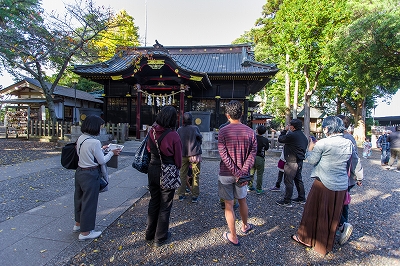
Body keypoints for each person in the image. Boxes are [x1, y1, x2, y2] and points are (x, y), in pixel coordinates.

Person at [291, 116, 360, 255]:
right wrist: (358, 177)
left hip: (323, 183)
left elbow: (311, 160)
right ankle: (327, 242)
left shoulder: (323, 143)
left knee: (314, 211)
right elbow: (355, 161)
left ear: (327, 128)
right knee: (332, 214)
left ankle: (306, 238)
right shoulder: (348, 143)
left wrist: (310, 148)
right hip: (341, 185)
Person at [74, 115, 121, 241]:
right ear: (95, 127)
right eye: (100, 127)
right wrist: (112, 152)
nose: (101, 129)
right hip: (90, 174)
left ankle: (78, 224)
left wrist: (101, 149)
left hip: (80, 172)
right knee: (90, 202)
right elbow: (102, 160)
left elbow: (85, 152)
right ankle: (85, 232)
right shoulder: (94, 142)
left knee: (79, 199)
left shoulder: (81, 138)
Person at [218, 100, 257, 246]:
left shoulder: (223, 131)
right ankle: (245, 226)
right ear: (241, 114)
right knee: (242, 200)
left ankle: (233, 236)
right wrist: (242, 171)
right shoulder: (250, 132)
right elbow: (252, 154)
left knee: (229, 204)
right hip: (243, 174)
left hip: (225, 173)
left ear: (227, 115)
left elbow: (223, 154)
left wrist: (235, 171)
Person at [145, 106, 182, 247]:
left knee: (154, 201)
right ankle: (160, 237)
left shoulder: (151, 132)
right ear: (172, 119)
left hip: (152, 168)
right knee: (165, 205)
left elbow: (148, 149)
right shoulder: (173, 135)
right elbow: (178, 159)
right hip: (167, 170)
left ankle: (149, 233)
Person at [336, 114, 363, 245]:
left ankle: (343, 226)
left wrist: (358, 175)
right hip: (346, 177)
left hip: (342, 177)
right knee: (343, 202)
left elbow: (354, 159)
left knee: (336, 202)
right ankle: (343, 225)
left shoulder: (346, 138)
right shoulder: (348, 137)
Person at [276, 119, 308, 207]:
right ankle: (301, 198)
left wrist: (284, 131)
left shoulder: (292, 135)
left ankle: (287, 201)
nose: (288, 126)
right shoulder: (303, 136)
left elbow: (281, 139)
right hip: (299, 161)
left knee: (288, 181)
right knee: (298, 180)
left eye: (289, 125)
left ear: (293, 127)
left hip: (291, 161)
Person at [177, 112, 203, 203]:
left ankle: (181, 194)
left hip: (183, 154)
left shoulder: (179, 129)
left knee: (182, 174)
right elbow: (200, 138)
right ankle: (195, 196)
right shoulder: (195, 128)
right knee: (195, 175)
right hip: (194, 154)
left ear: (183, 120)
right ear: (191, 120)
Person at [248, 125, 270, 195]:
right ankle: (259, 189)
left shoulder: (252, 138)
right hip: (260, 157)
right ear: (264, 132)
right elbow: (266, 148)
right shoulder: (265, 140)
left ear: (256, 130)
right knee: (259, 174)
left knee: (251, 172)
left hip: (252, 156)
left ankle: (249, 186)